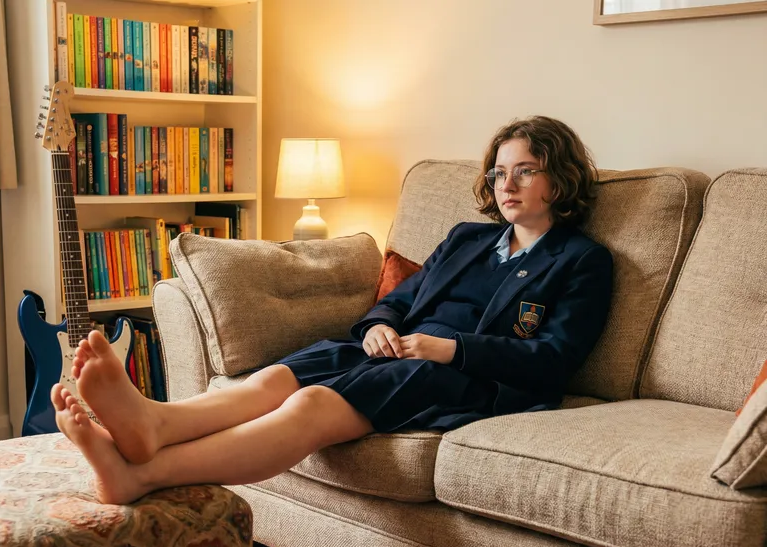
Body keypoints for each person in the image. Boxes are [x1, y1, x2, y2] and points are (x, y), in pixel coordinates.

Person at [51, 115, 613, 506]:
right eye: (499, 171)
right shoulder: (468, 237)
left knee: (313, 404)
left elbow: (553, 360)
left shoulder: (581, 260)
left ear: (558, 180)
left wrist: (451, 348)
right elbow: (401, 299)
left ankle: (143, 474)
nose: (507, 184)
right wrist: (379, 325)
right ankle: (153, 422)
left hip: (464, 374)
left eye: (525, 171)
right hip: (399, 347)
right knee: (276, 378)